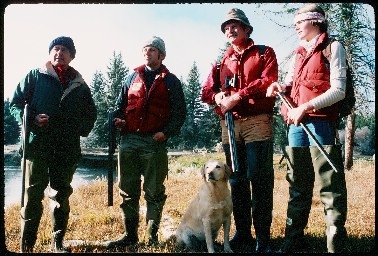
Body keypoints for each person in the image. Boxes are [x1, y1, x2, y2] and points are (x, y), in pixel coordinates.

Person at [266, 4, 348, 253]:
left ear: (315, 21)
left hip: (321, 124)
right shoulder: (299, 52)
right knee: (297, 184)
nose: (296, 27)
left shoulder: (334, 47)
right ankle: (293, 241)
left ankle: (335, 245)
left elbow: (339, 90)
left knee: (329, 186)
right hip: (297, 126)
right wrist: (279, 87)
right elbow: (291, 84)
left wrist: (306, 107)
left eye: (300, 22)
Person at [9, 36, 97, 253]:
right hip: (37, 146)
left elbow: (91, 114)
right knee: (32, 196)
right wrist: (32, 120)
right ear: (50, 53)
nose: (60, 53)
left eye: (65, 50)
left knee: (61, 196)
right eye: (56, 49)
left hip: (66, 149)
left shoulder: (80, 84)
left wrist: (78, 129)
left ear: (72, 56)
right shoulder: (35, 76)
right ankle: (26, 245)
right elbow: (15, 104)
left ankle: (57, 243)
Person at [201, 8, 278, 253]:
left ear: (246, 29)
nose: (229, 30)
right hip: (230, 125)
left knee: (260, 178)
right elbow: (206, 92)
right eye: (226, 28)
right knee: (237, 179)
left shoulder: (264, 53)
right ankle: (243, 234)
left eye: (235, 26)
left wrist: (237, 97)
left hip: (257, 121)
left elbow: (267, 81)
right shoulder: (221, 61)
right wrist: (218, 95)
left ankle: (263, 239)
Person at [105, 36, 187, 248]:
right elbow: (119, 106)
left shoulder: (171, 81)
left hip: (154, 142)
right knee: (127, 190)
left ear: (161, 55)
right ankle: (130, 237)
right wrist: (119, 120)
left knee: (154, 192)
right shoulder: (131, 77)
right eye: (145, 50)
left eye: (151, 50)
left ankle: (152, 238)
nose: (147, 53)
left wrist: (166, 133)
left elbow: (180, 114)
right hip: (128, 141)